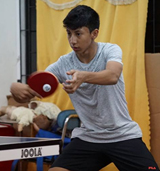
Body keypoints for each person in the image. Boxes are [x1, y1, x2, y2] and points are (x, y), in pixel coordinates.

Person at [10, 5, 159, 171]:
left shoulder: (110, 50)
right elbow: (35, 87)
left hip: (122, 135)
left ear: (94, 33)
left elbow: (112, 75)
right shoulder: (63, 63)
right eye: (69, 33)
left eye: (78, 33)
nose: (72, 40)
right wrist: (16, 87)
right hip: (88, 138)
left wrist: (83, 76)